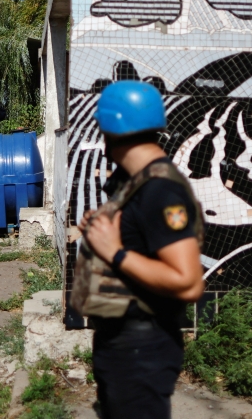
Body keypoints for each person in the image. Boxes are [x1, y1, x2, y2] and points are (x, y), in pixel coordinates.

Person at [76, 80, 204, 419]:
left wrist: (116, 251)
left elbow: (188, 281)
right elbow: (141, 237)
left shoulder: (160, 190)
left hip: (142, 347)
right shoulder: (138, 183)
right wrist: (105, 227)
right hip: (124, 343)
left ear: (109, 129)